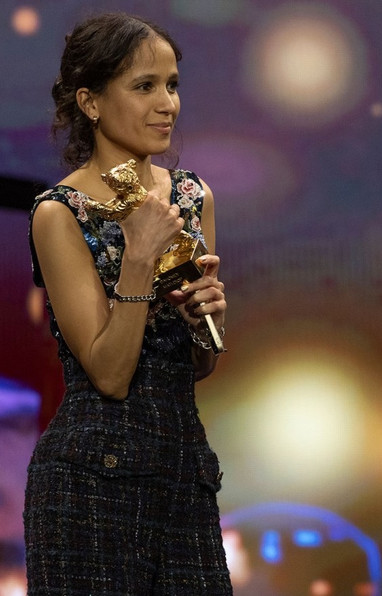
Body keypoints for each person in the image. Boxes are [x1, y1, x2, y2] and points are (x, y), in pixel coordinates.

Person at [24, 13, 232, 595]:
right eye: (145, 87)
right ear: (90, 102)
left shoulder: (192, 197)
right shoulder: (60, 213)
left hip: (184, 476)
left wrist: (206, 320)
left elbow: (200, 365)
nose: (168, 103)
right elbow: (111, 375)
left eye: (173, 85)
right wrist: (138, 258)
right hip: (91, 485)